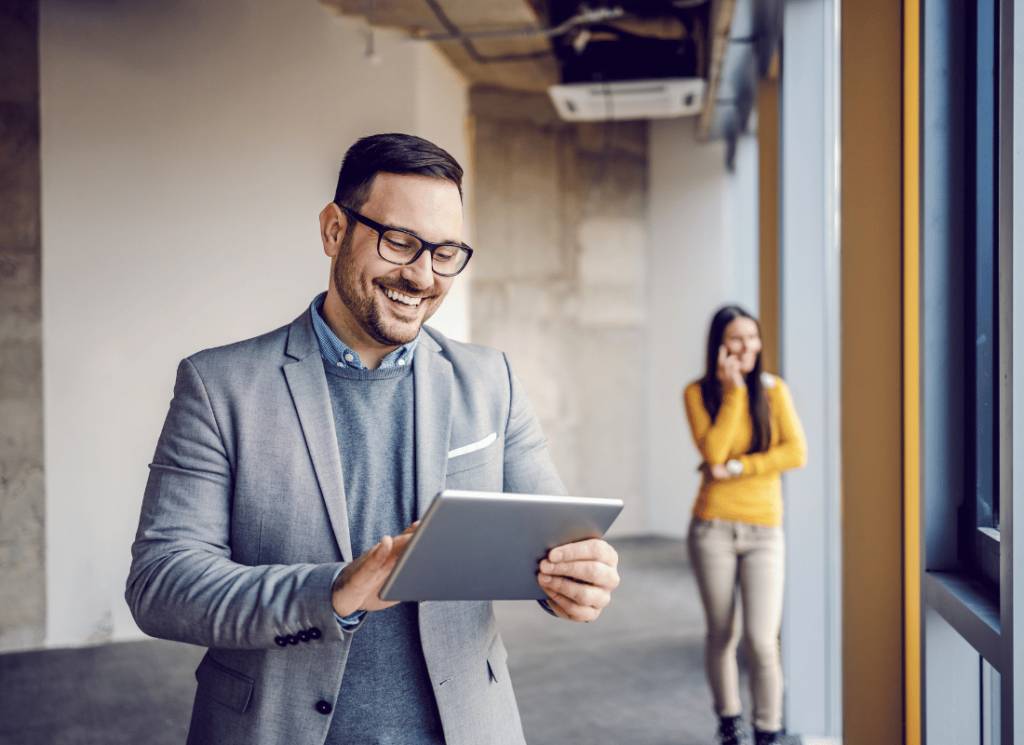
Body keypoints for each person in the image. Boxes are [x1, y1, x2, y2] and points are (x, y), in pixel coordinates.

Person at [126, 133, 620, 745]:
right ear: (335, 230)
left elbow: (549, 539)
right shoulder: (218, 385)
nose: (422, 275)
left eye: (446, 253)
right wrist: (333, 592)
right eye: (401, 242)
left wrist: (574, 578)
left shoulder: (492, 381)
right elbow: (162, 582)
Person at [682, 305, 807, 745]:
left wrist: (739, 468)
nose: (747, 347)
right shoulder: (698, 393)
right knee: (722, 633)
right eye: (737, 339)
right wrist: (733, 393)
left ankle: (767, 729)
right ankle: (729, 723)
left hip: (764, 531)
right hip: (712, 529)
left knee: (761, 639)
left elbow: (796, 452)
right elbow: (712, 451)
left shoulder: (774, 391)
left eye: (752, 338)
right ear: (719, 345)